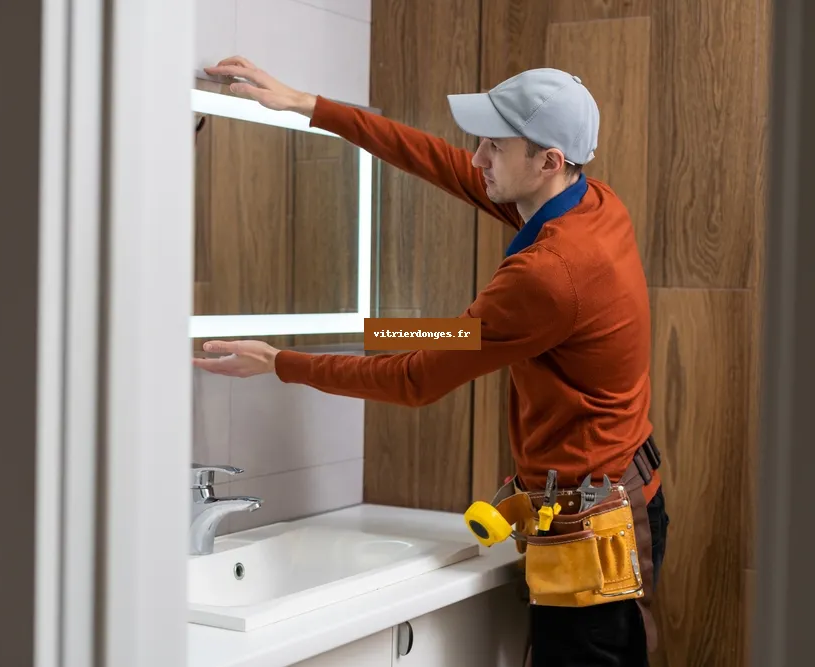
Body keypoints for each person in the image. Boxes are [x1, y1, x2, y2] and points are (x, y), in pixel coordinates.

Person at [196, 55, 670, 667]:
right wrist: (308, 104)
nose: (476, 158)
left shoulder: (550, 274)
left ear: (549, 160)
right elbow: (438, 166)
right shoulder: (591, 203)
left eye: (495, 146)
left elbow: (416, 378)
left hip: (596, 525)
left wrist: (281, 362)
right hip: (613, 489)